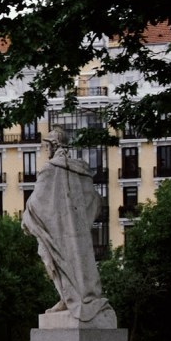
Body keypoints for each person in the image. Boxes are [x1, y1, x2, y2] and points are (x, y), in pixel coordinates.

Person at [23, 127, 112, 323]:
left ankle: (67, 298)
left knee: (52, 260)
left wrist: (27, 216)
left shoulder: (50, 169)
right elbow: (95, 201)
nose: (46, 149)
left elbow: (37, 202)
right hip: (78, 233)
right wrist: (81, 220)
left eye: (47, 145)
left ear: (54, 146)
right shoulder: (81, 171)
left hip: (58, 233)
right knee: (79, 263)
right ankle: (70, 297)